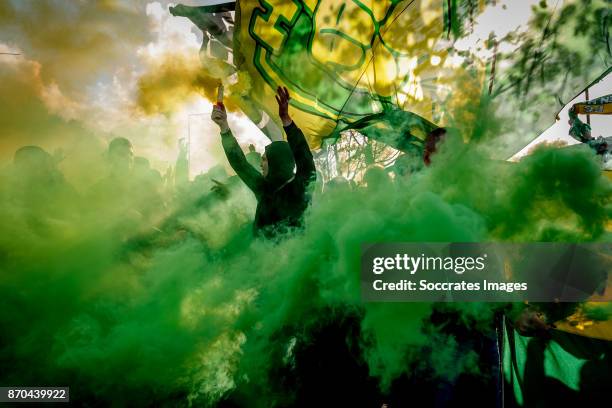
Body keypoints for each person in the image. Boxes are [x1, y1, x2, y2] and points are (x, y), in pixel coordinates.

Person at [211, 86, 316, 238]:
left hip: (292, 258)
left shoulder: (301, 188)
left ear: (277, 161)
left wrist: (287, 122)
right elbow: (240, 164)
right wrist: (224, 128)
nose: (261, 164)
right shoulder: (263, 188)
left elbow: (304, 157)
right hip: (261, 258)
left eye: (265, 160)